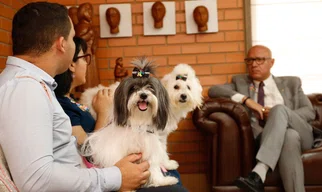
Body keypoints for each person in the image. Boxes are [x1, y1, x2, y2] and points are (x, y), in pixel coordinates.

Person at [0, 2, 187, 192]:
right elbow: (37, 181)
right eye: (73, 38)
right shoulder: (25, 89)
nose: (75, 44)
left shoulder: (31, 85)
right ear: (61, 44)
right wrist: (116, 176)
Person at [208, 45, 322, 192]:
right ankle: (261, 174)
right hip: (266, 138)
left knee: (279, 111)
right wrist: (246, 100)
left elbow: (309, 112)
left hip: (303, 135)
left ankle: (259, 171)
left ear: (272, 62)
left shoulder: (291, 83)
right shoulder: (240, 82)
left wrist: (280, 115)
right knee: (289, 136)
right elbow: (213, 91)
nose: (254, 64)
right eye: (249, 60)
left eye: (259, 60)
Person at [54, 36, 112, 146]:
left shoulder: (69, 99)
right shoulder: (63, 107)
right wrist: (103, 112)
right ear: (71, 64)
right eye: (84, 58)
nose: (86, 64)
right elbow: (87, 151)